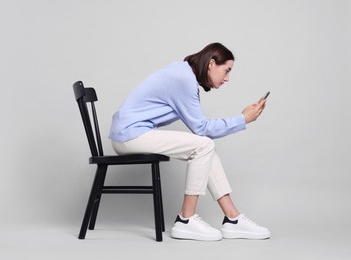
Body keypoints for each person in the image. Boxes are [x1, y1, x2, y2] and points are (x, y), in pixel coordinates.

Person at [109, 42, 270, 241]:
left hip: (130, 134)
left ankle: (233, 218)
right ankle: (186, 219)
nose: (227, 78)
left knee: (204, 145)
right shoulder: (183, 78)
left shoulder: (184, 74)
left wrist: (241, 119)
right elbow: (201, 128)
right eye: (226, 71)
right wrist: (242, 119)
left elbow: (200, 128)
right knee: (204, 144)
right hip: (130, 135)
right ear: (211, 63)